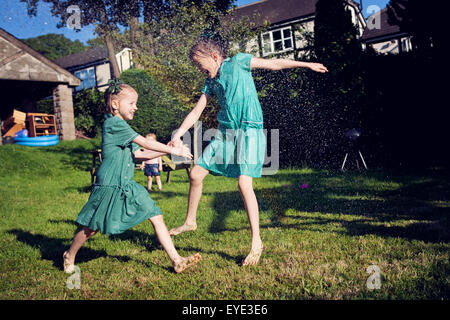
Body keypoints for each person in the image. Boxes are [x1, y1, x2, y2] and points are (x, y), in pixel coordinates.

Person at [168, 36, 328, 266]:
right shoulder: (211, 82)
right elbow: (196, 111)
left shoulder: (239, 62)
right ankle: (190, 221)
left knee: (244, 183)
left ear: (214, 57)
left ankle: (256, 242)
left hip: (249, 131)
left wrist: (306, 64)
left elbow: (274, 64)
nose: (198, 68)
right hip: (225, 133)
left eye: (199, 63)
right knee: (195, 174)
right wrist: (178, 134)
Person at [63, 80, 200, 274]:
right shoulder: (114, 124)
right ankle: (69, 254)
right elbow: (145, 142)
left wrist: (168, 150)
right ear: (116, 104)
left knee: (156, 215)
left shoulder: (122, 127)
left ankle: (177, 260)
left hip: (127, 184)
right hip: (110, 184)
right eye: (132, 103)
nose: (136, 107)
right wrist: (175, 149)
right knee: (92, 227)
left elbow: (140, 153)